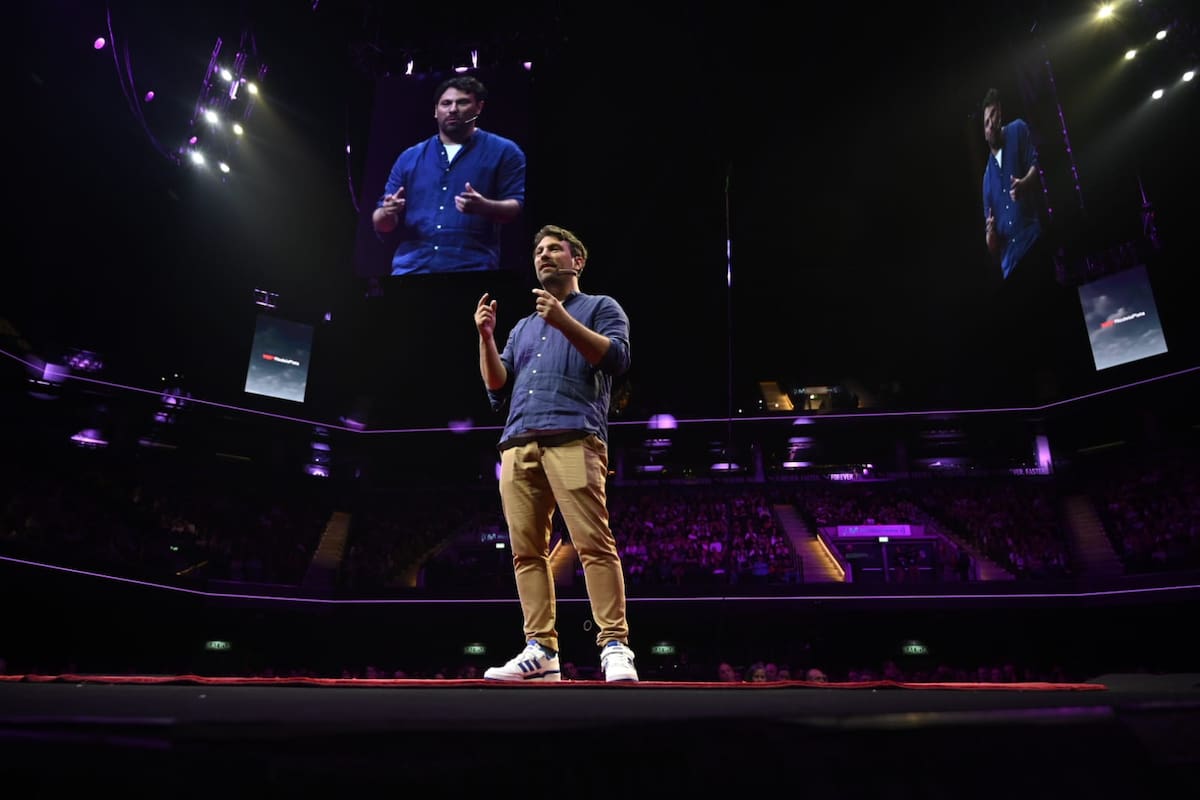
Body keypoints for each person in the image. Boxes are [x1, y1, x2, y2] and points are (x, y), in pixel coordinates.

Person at [473, 224, 638, 682]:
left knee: (593, 544)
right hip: (518, 441)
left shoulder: (602, 307)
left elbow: (617, 360)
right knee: (526, 553)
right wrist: (486, 336)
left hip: (574, 436)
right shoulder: (523, 326)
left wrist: (562, 320)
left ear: (576, 261)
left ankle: (615, 645)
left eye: (554, 249)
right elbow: (497, 386)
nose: (544, 256)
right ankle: (541, 650)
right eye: (538, 251)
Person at [372, 75, 526, 276]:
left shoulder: (505, 151)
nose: (453, 109)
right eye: (446, 103)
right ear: (436, 111)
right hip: (411, 269)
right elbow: (381, 223)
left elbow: (516, 207)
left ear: (479, 108)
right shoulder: (409, 157)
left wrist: (484, 207)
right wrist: (387, 212)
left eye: (462, 102)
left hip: (471, 268)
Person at [981, 87, 1043, 283]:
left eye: (993, 116)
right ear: (984, 132)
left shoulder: (1017, 129)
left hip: (1033, 244)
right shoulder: (986, 179)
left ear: (1000, 112)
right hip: (1010, 265)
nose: (991, 124)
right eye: (986, 122)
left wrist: (1024, 184)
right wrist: (990, 235)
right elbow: (993, 247)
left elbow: (1037, 168)